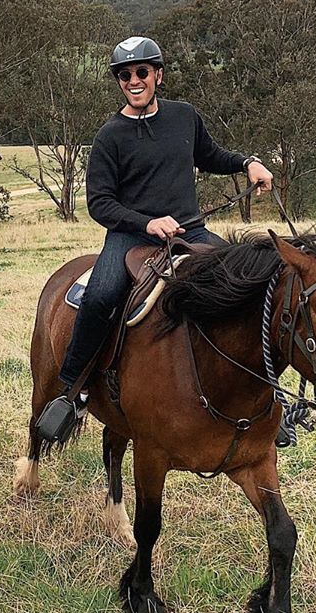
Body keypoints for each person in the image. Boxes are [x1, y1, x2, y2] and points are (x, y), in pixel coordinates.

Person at [36, 36, 274, 444]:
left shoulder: (184, 117)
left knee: (246, 288)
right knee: (99, 296)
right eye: (125, 75)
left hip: (189, 231)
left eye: (142, 72)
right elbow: (100, 203)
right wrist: (147, 224)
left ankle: (260, 396)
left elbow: (210, 155)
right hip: (130, 237)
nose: (134, 80)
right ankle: (72, 390)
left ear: (158, 76)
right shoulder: (109, 136)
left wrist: (247, 163)